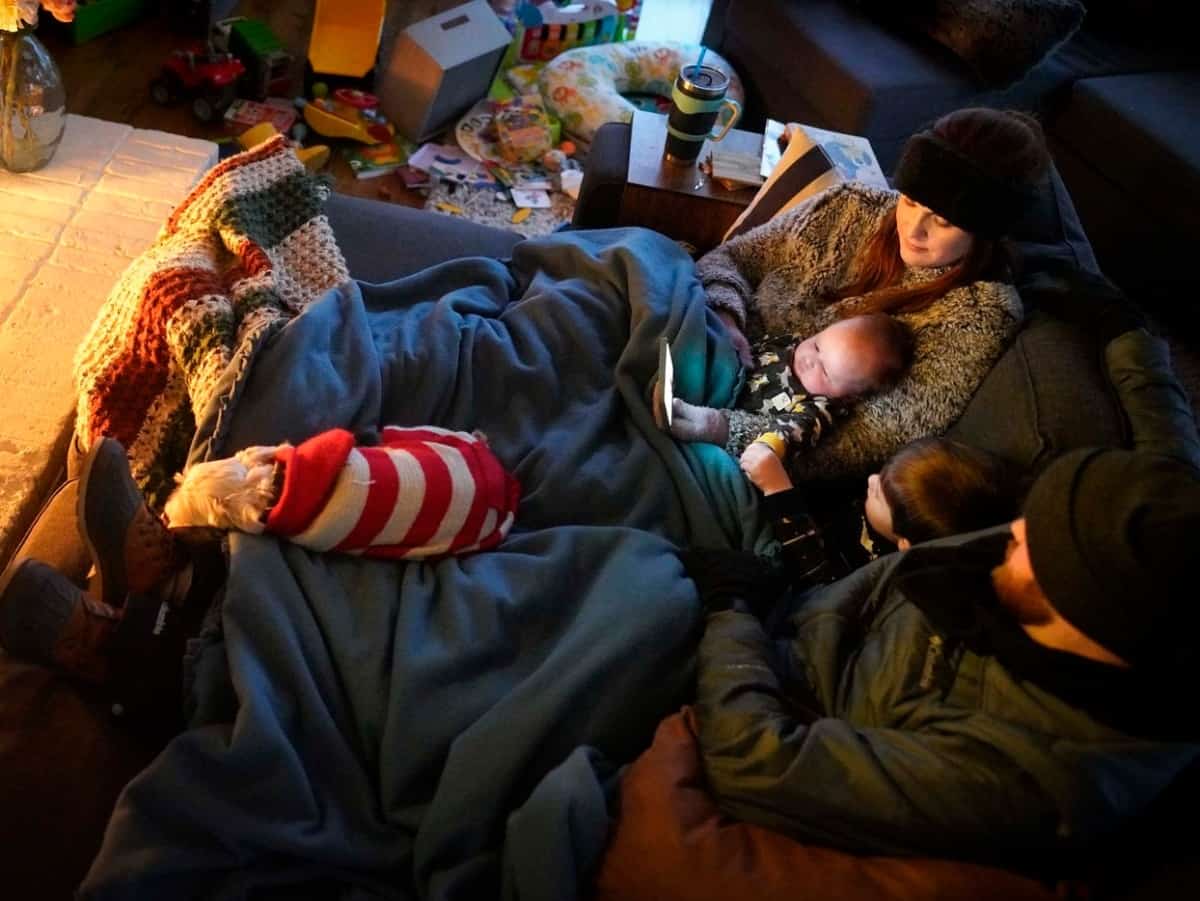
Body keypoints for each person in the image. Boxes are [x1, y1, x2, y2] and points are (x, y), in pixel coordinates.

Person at [686, 446, 1200, 870]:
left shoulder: (1026, 779)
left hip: (747, 689)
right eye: (1028, 519)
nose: (1014, 533)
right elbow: (888, 578)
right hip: (780, 608)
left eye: (1035, 547)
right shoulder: (1040, 556)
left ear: (1089, 615)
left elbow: (753, 761)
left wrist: (733, 610)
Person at [697, 107, 1051, 479]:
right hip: (707, 340)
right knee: (641, 254)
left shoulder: (978, 317)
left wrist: (719, 427)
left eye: (944, 222)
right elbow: (731, 258)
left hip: (754, 446)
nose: (913, 230)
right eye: (911, 201)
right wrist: (727, 321)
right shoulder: (851, 205)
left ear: (985, 234)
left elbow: (859, 444)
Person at [664, 312, 914, 461]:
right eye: (817, 345)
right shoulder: (792, 342)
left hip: (720, 416)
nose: (808, 360)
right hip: (716, 373)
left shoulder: (816, 411)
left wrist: (715, 426)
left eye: (825, 371)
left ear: (848, 397)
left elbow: (779, 439)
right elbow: (747, 340)